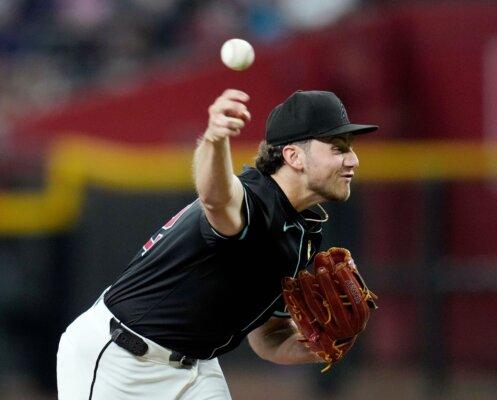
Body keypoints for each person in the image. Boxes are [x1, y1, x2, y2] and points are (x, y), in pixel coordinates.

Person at [56, 89, 378, 399]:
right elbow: (215, 197)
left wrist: (316, 344)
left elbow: (269, 336)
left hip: (196, 370)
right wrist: (214, 138)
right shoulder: (253, 201)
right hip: (121, 360)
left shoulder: (301, 234)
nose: (353, 160)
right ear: (293, 156)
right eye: (338, 148)